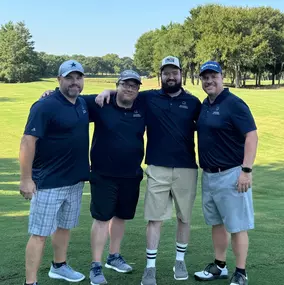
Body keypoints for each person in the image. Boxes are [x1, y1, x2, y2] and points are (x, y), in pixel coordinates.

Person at [96, 56, 201, 285]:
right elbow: (126, 92)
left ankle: (179, 261)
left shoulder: (193, 102)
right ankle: (150, 267)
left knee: (184, 218)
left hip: (187, 168)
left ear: (181, 74)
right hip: (157, 166)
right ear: (160, 75)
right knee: (155, 219)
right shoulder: (149, 98)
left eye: (175, 72)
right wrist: (108, 90)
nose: (171, 77)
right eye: (166, 73)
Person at [19, 60, 90, 285]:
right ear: (59, 79)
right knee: (39, 233)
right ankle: (30, 282)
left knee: (64, 227)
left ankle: (59, 266)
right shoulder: (45, 105)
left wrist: (110, 89)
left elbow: (113, 97)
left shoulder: (82, 103)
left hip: (74, 181)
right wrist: (25, 179)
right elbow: (28, 141)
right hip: (48, 182)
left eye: (78, 77)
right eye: (69, 77)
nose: (74, 82)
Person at [194, 61, 258, 285]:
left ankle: (241, 272)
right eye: (205, 77)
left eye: (213, 76)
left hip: (232, 175)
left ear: (222, 77)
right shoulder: (205, 104)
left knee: (237, 225)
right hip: (209, 176)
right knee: (217, 223)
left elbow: (251, 136)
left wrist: (246, 170)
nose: (209, 81)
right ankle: (219, 266)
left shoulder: (234, 104)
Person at [84, 70, 145, 285]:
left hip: (131, 175)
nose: (129, 88)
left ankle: (114, 256)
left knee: (121, 217)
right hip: (103, 175)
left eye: (134, 85)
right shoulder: (101, 104)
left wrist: (109, 89)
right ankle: (96, 265)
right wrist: (50, 93)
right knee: (101, 219)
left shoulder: (142, 106)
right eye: (125, 84)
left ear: (138, 89)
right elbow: (70, 98)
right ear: (117, 85)